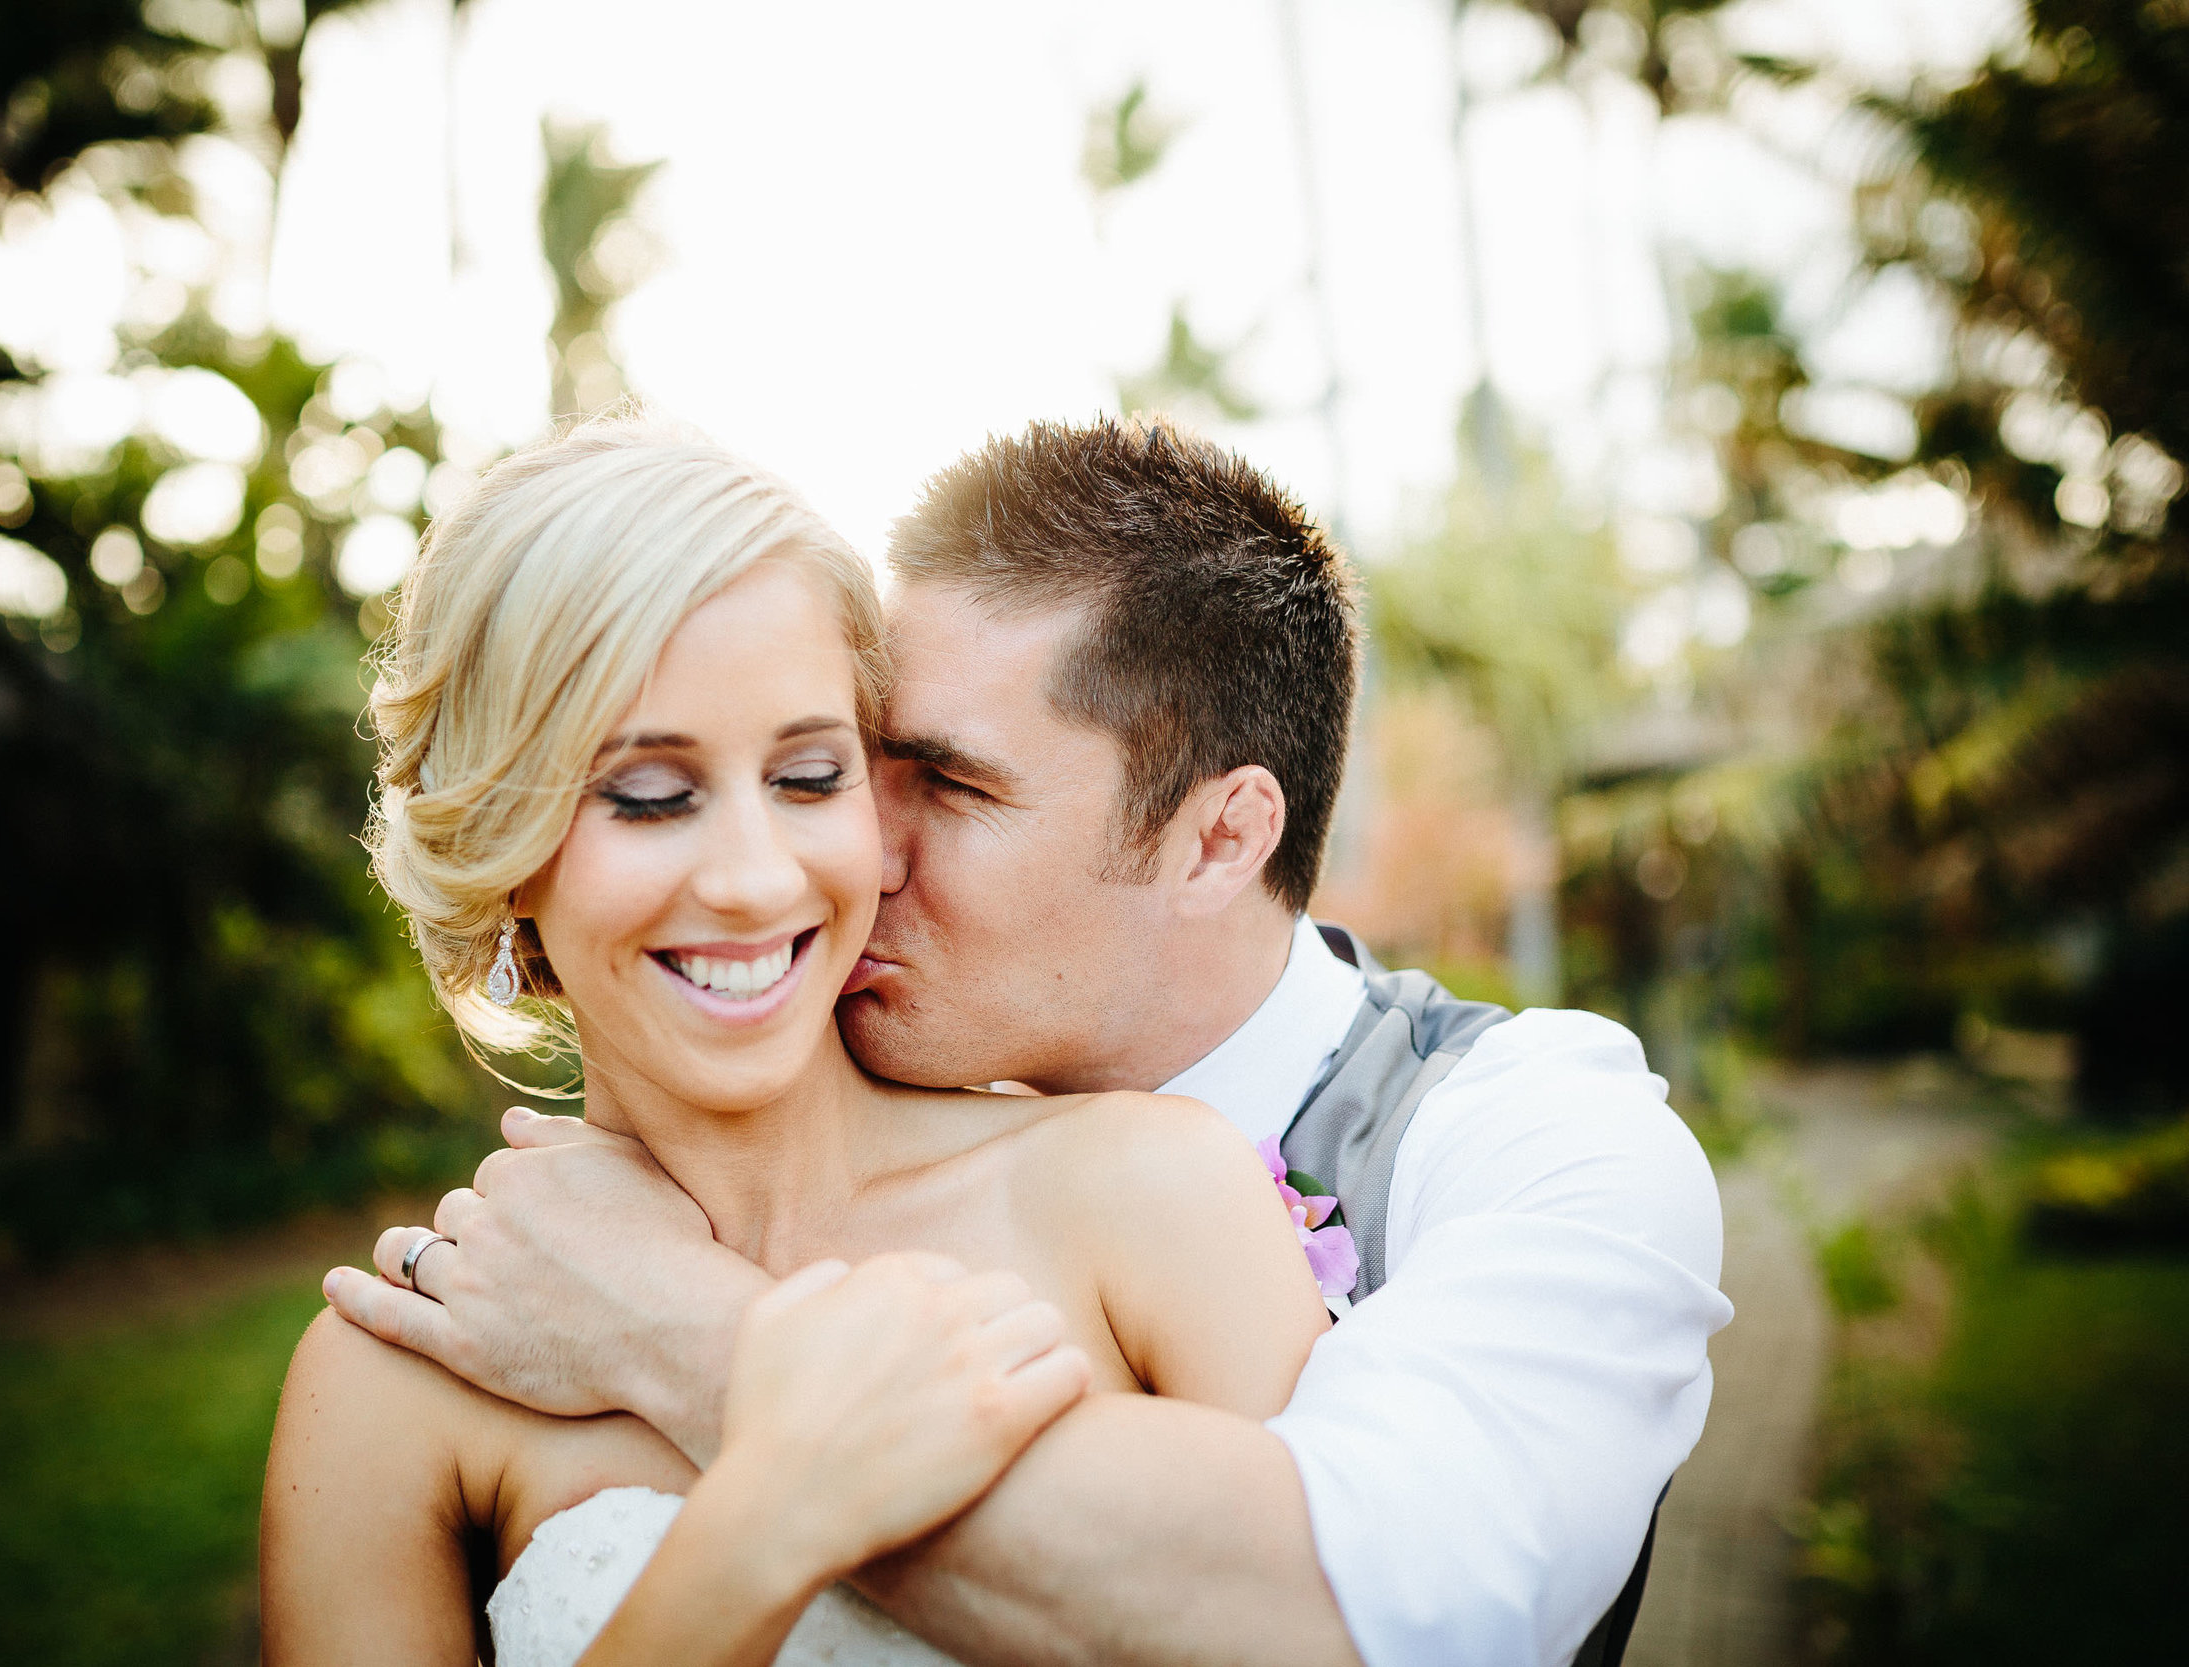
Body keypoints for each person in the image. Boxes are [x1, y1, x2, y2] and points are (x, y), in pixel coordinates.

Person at [328, 416, 1736, 1667]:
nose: (830, 857)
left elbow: (1393, 1615)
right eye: (653, 791)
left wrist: (687, 1336)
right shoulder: (406, 1360)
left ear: (1219, 838)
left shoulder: (1531, 1139)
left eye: (926, 779)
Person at [259, 415, 1345, 1667]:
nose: (752, 878)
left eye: (810, 776)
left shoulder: (1146, 1191)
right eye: (650, 795)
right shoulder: (393, 1378)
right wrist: (766, 1526)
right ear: (504, 844)